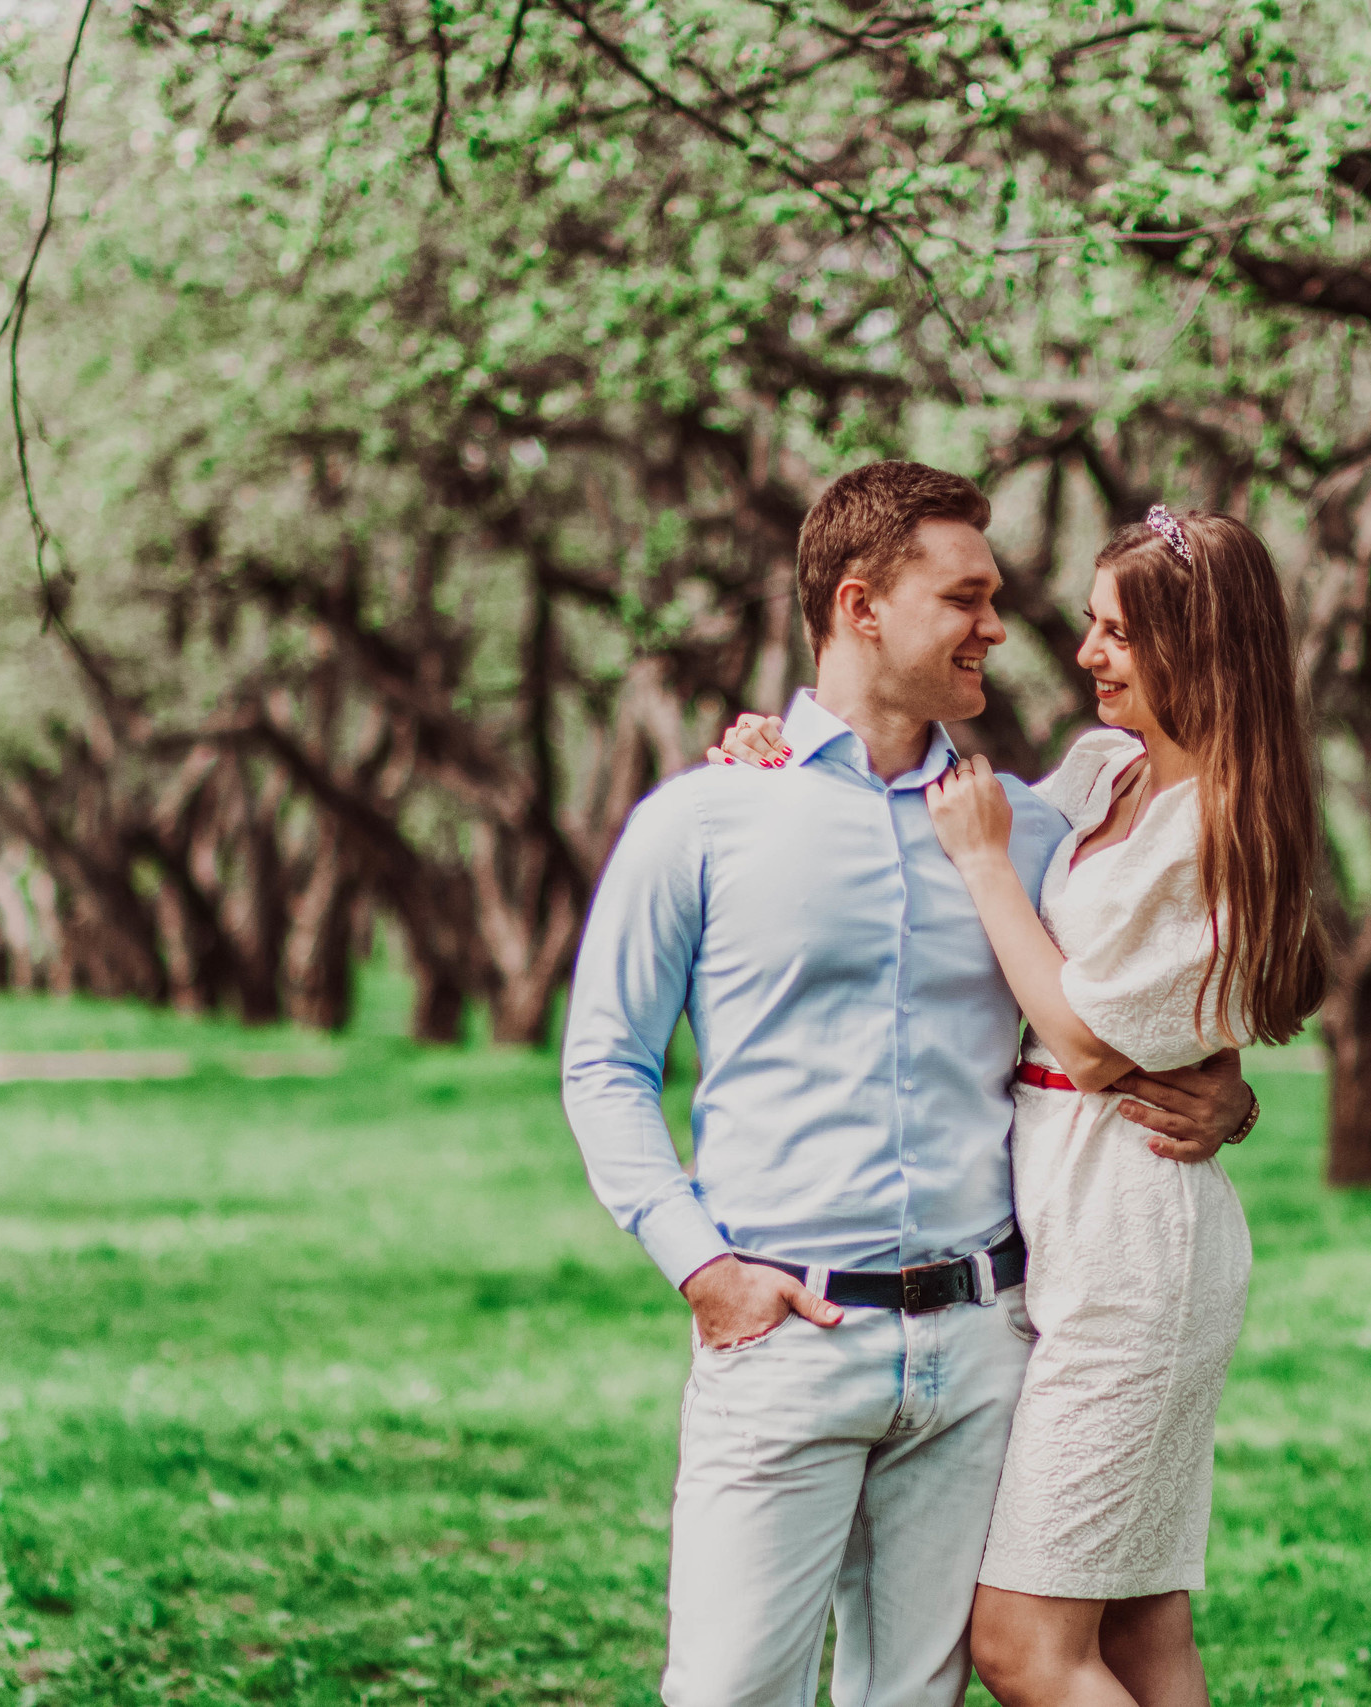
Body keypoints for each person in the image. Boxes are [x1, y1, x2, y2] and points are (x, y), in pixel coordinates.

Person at [559, 460, 1260, 1707]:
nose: (1000, 627)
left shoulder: (1028, 830)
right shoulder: (707, 818)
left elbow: (1130, 992)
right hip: (785, 1339)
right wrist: (702, 1269)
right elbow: (605, 1064)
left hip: (984, 1343)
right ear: (859, 606)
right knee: (725, 1694)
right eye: (965, 598)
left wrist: (1227, 1090)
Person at [714, 502, 1327, 1707]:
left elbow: (1090, 1042)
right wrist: (796, 762)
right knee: (1142, 1632)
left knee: (1023, 1647)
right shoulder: (1110, 775)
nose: (1088, 655)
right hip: (1071, 1231)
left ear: (1198, 646)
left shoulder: (1215, 829)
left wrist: (992, 864)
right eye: (1094, 626)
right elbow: (933, 816)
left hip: (1126, 1263)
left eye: (1119, 634)